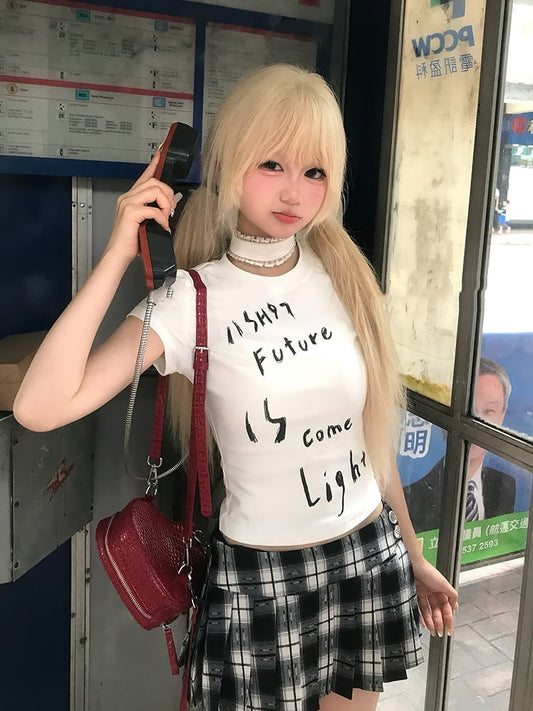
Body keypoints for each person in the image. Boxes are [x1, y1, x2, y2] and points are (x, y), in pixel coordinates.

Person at [14, 65, 457, 711]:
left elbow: (367, 439)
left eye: (315, 171)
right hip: (260, 576)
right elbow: (39, 406)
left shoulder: (343, 278)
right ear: (229, 166)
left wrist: (414, 554)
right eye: (271, 163)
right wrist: (118, 252)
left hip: (366, 553)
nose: (294, 191)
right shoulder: (190, 302)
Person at [404, 358, 516, 533]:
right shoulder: (413, 495)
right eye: (468, 410)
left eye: (489, 411)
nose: (477, 423)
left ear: (502, 415)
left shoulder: (506, 486)